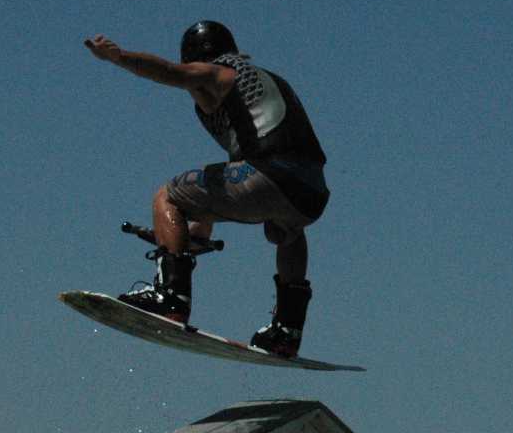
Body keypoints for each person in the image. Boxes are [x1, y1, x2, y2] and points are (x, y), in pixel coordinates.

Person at [83, 21, 329, 358]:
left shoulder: (218, 72)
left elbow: (171, 73)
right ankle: (286, 330)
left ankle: (171, 297)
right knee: (288, 230)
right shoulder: (266, 81)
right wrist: (189, 233)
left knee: (168, 196)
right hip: (311, 191)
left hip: (267, 177)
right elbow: (227, 186)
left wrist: (119, 57)